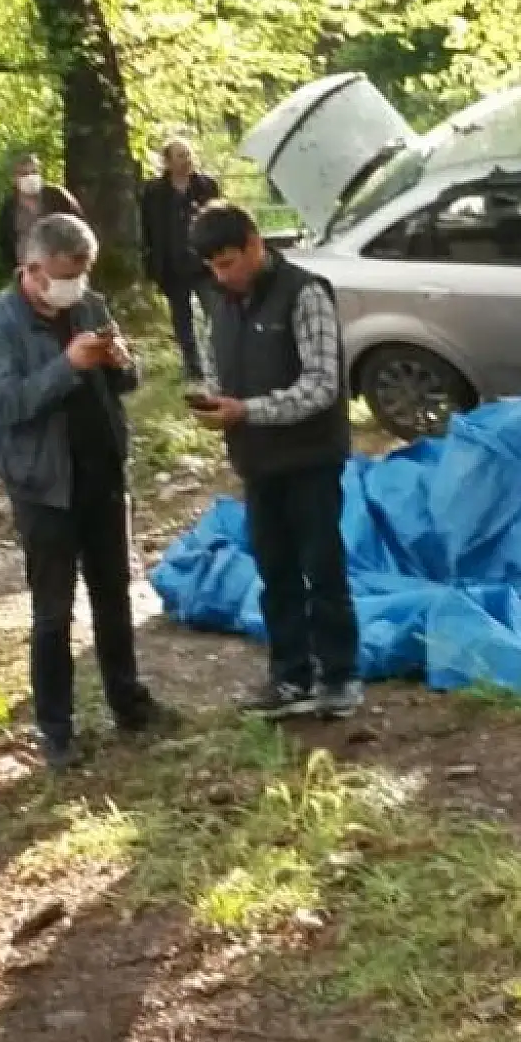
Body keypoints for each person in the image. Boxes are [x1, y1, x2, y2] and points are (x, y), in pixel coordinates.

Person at [0, 212, 175, 768]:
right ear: (32, 270)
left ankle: (129, 703)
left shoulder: (88, 304)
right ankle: (56, 730)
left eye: (83, 273)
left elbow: (126, 381)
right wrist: (67, 365)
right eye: (65, 274)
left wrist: (123, 362)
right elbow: (6, 406)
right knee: (53, 612)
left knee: (114, 598)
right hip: (44, 487)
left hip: (103, 476)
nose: (75, 285)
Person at [187, 200, 361, 720]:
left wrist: (248, 410)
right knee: (275, 572)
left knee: (323, 569)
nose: (224, 275)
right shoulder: (212, 301)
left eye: (230, 262)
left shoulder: (305, 293)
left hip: (310, 458)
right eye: (214, 266)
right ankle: (290, 678)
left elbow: (322, 387)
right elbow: (213, 367)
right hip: (256, 461)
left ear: (256, 244)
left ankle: (340, 676)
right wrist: (212, 401)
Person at [138, 137, 220, 382]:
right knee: (181, 318)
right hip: (172, 266)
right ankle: (192, 365)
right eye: (180, 156)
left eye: (188, 154)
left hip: (205, 264)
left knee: (215, 314)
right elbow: (148, 229)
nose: (186, 160)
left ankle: (218, 360)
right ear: (167, 162)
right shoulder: (153, 192)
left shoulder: (206, 186)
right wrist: (151, 262)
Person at [0, 150, 82, 276]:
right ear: (14, 179)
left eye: (34, 172)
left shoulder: (58, 197)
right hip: (26, 273)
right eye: (24, 174)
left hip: (60, 269)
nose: (30, 177)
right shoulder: (9, 208)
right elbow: (5, 244)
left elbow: (80, 228)